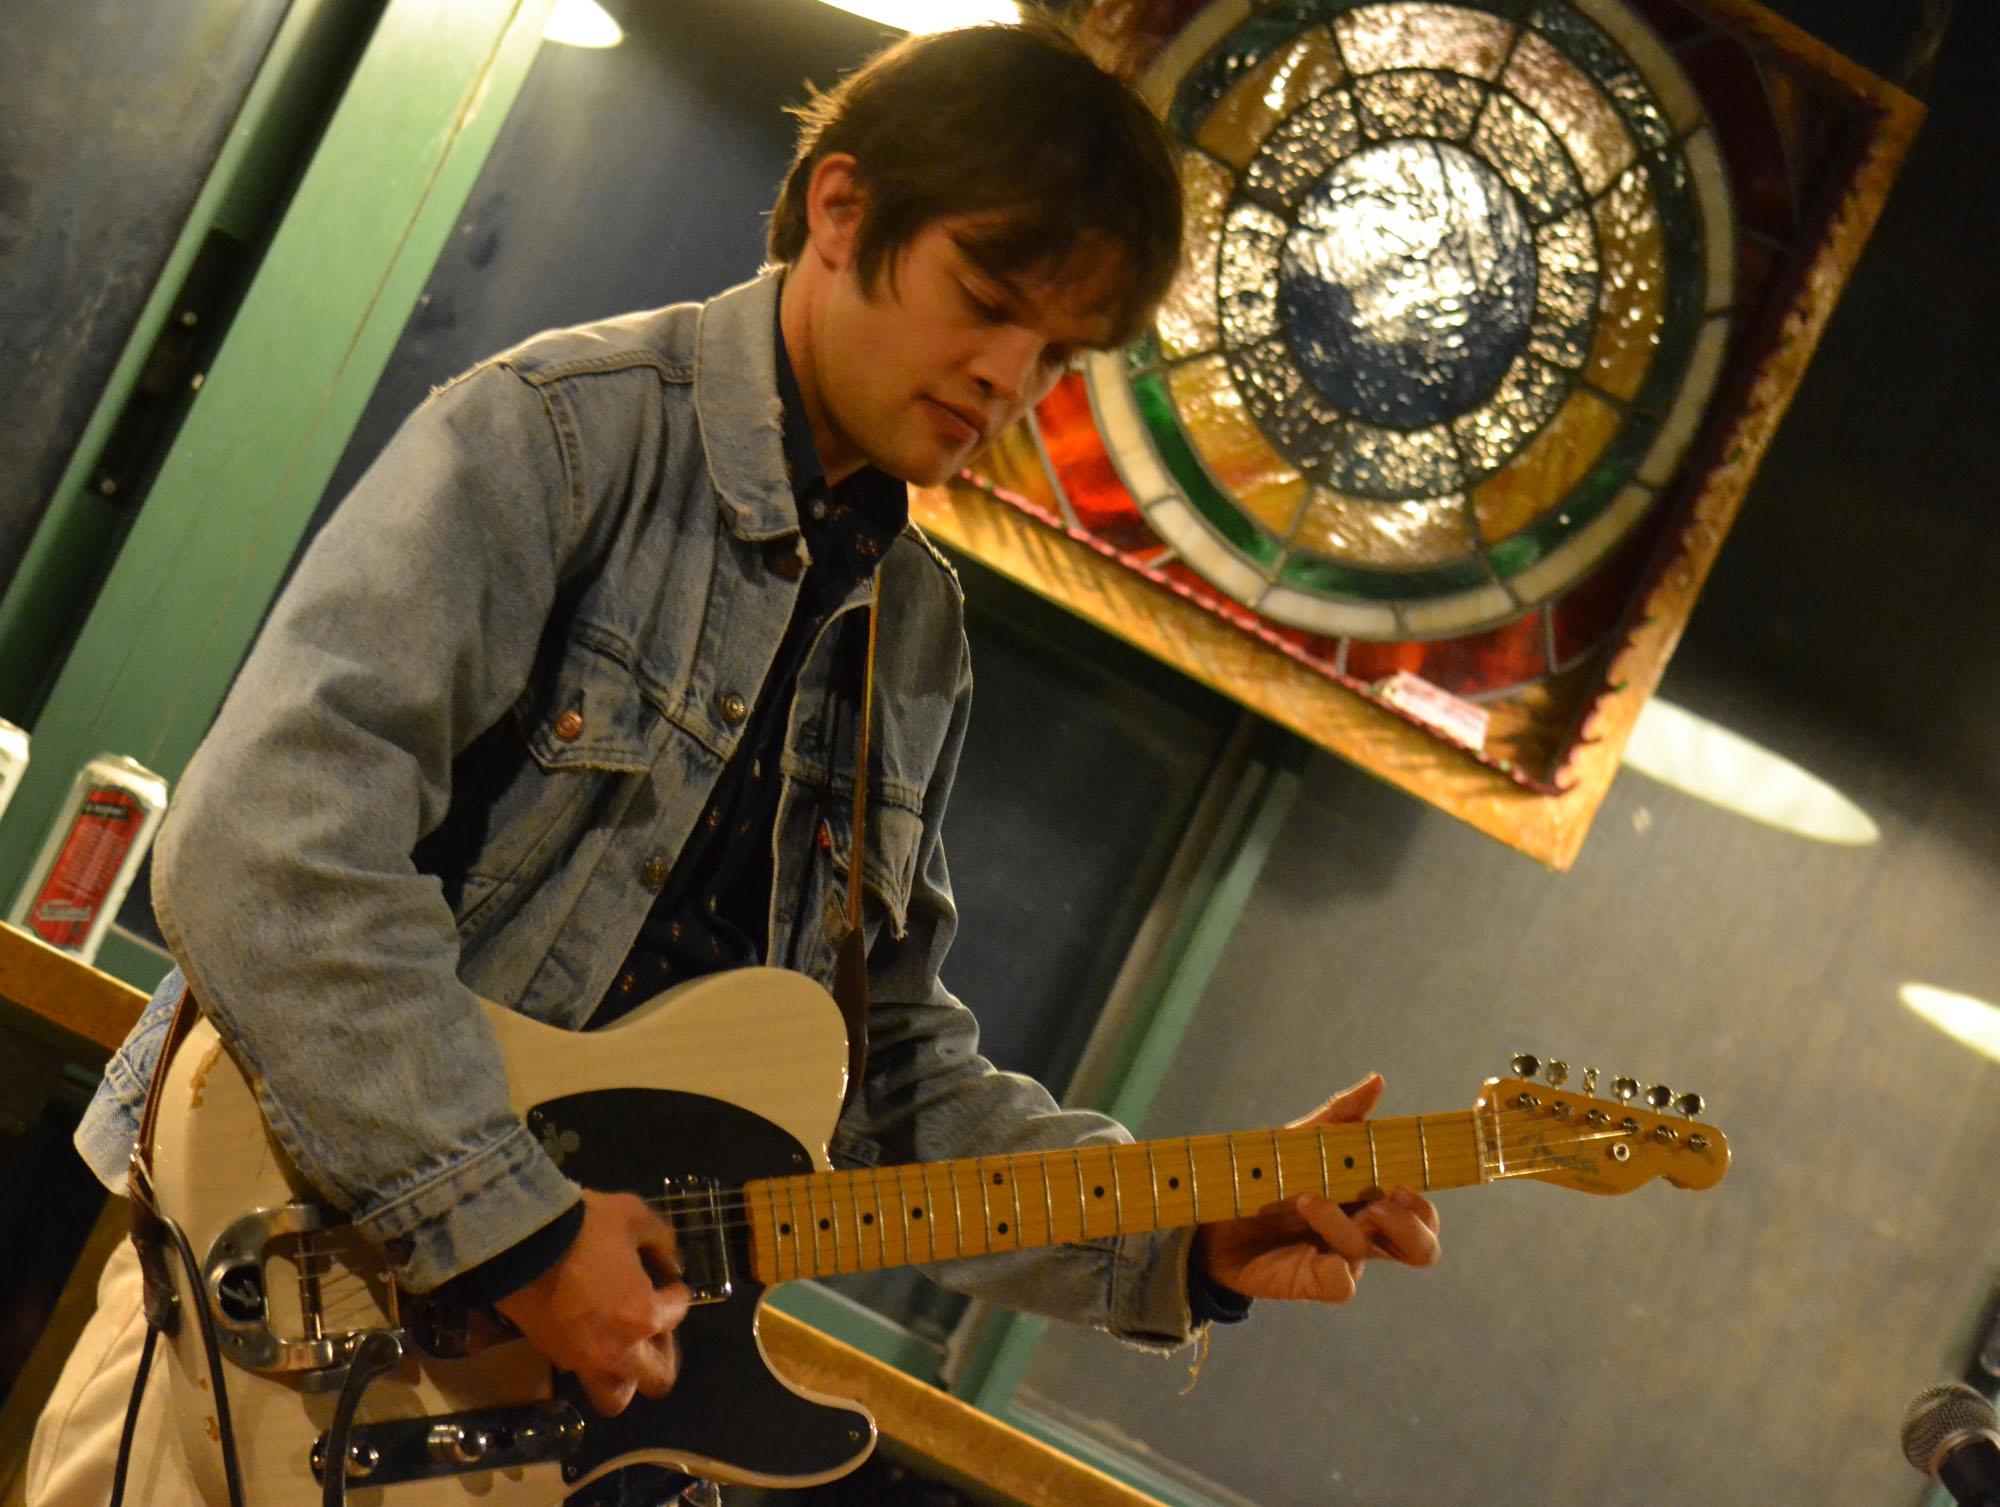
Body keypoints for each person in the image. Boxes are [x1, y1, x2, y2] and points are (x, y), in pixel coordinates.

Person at [25, 18, 1440, 1506]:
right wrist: (519, 1230)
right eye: (986, 298)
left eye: (1056, 351)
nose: (1008, 376)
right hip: (294, 1329)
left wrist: (1191, 1229)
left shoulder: (916, 632)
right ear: (840, 210)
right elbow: (265, 849)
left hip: (564, 1416)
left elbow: (884, 1081)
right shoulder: (556, 439)